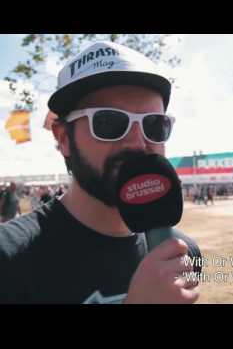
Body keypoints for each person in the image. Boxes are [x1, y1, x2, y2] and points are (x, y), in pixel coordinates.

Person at [0, 41, 201, 304]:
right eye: (108, 122)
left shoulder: (181, 253)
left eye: (155, 124)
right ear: (63, 138)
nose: (138, 142)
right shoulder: (7, 258)